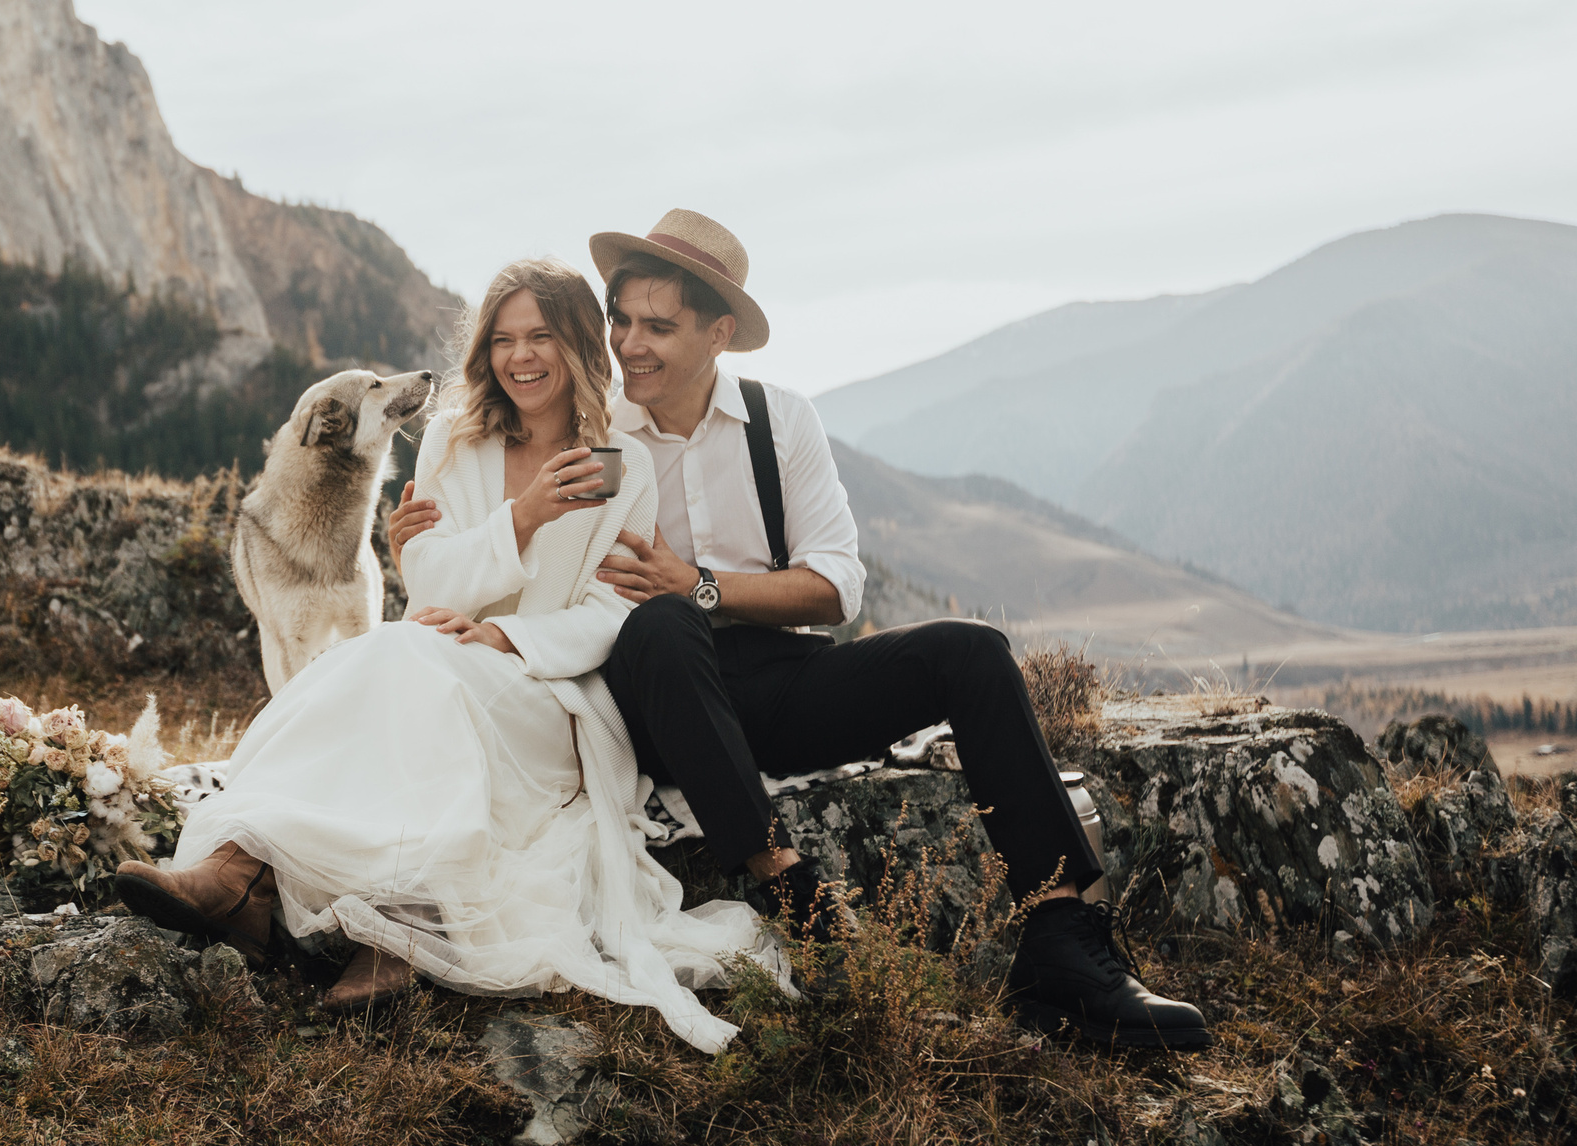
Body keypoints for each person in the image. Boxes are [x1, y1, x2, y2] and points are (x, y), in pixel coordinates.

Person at [480, 207, 1205, 1051]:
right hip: (656, 705)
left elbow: (836, 587)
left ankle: (1060, 940)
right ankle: (785, 883)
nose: (628, 343)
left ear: (719, 333)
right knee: (663, 627)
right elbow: (524, 553)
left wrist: (704, 585)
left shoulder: (779, 420)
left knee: (971, 653)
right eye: (621, 319)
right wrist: (439, 544)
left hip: (783, 685)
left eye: (657, 326)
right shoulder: (596, 435)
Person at [118, 259, 781, 1050]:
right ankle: (249, 875)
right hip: (441, 656)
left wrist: (509, 635)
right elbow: (430, 579)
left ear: (576, 344)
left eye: (540, 336)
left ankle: (345, 909)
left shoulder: (619, 463)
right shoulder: (449, 439)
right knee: (397, 657)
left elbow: (615, 608)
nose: (521, 356)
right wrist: (523, 519)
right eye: (503, 339)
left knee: (406, 659)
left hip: (553, 695)